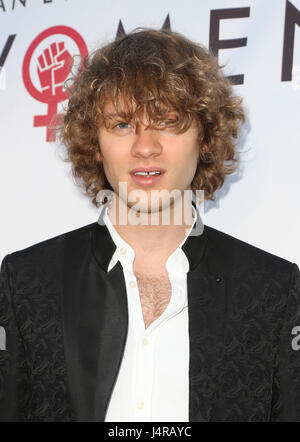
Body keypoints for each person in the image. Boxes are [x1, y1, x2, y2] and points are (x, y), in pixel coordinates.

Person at [0, 28, 299, 422]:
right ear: (95, 142)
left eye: (168, 121)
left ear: (205, 138)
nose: (145, 146)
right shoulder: (27, 282)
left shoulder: (272, 288)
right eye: (123, 125)